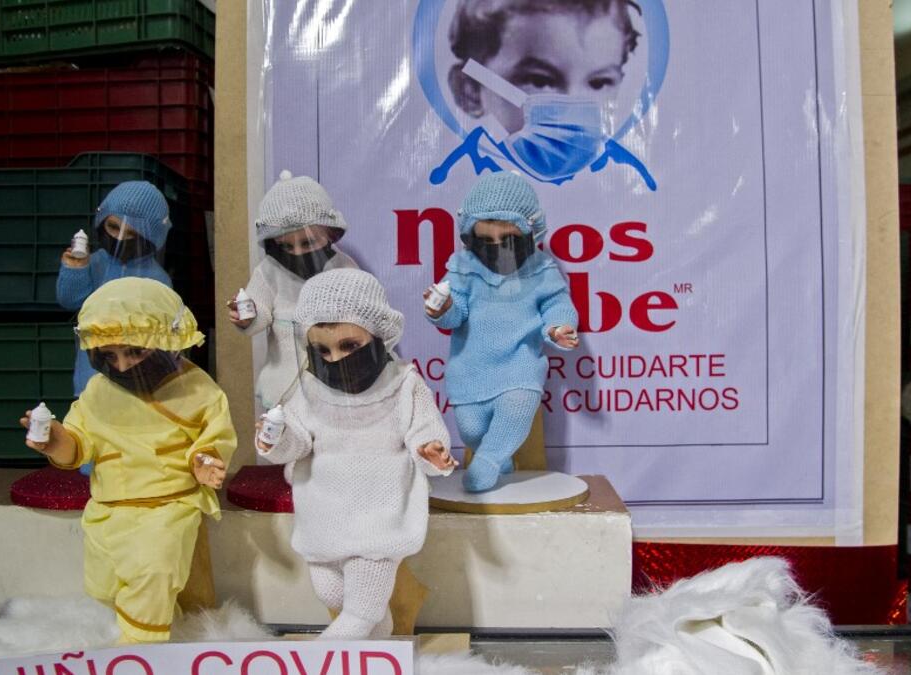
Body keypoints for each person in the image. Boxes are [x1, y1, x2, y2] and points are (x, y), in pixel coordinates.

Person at [21, 277, 235, 644]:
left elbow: (215, 434)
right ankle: (165, 626)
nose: (122, 366)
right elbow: (80, 442)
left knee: (154, 571)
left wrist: (205, 459)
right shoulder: (98, 391)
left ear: (167, 343)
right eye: (110, 356)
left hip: (167, 505)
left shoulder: (198, 389)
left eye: (135, 353)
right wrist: (57, 442)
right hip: (107, 507)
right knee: (108, 584)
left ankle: (137, 652)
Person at [255, 269, 457, 639]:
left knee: (359, 614)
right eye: (322, 350)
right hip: (326, 513)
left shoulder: (403, 383)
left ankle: (321, 663)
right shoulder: (310, 389)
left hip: (380, 513)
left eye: (349, 345)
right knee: (334, 594)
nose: (335, 359)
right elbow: (298, 439)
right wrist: (277, 438)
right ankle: (379, 658)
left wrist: (429, 449)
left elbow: (424, 428)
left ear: (378, 334)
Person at [425, 171, 578, 492]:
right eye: (486, 241)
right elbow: (457, 314)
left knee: (518, 406)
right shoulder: (462, 265)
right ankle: (496, 456)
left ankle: (489, 463)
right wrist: (443, 309)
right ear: (470, 236)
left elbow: (556, 303)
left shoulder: (541, 269)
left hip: (519, 364)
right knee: (471, 428)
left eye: (507, 240)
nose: (496, 249)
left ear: (529, 232)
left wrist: (558, 327)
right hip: (471, 367)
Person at [440, 0, 643, 184]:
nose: (571, 105)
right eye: (540, 80)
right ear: (470, 90)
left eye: (599, 83)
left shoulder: (631, 181)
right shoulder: (451, 180)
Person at [229, 170, 358, 412]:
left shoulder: (343, 266)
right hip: (285, 389)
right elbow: (259, 311)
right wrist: (248, 317)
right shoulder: (269, 271)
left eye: (308, 242)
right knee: (284, 441)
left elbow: (365, 317)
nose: (298, 252)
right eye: (287, 246)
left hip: (336, 383)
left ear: (330, 233)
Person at [58, 181, 174, 397]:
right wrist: (75, 271)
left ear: (151, 238)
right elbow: (70, 301)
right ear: (101, 222)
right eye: (113, 227)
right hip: (91, 380)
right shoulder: (94, 264)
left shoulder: (158, 279)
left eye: (131, 234)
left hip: (139, 384)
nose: (120, 238)